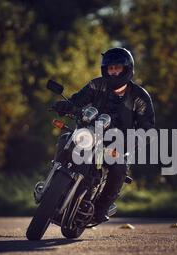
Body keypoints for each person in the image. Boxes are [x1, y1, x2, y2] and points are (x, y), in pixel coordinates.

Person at [52, 47, 155, 224]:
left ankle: (101, 209)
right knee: (64, 140)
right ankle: (54, 183)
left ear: (127, 69)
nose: (114, 72)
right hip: (88, 133)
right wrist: (65, 105)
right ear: (105, 69)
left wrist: (135, 140)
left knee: (119, 167)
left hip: (116, 144)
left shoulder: (139, 96)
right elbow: (77, 100)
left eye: (117, 68)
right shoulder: (96, 85)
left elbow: (147, 126)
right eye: (110, 68)